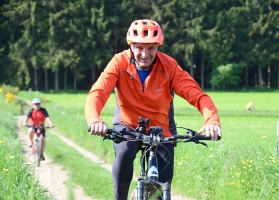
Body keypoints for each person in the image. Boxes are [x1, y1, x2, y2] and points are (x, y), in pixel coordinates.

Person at [85, 19, 222, 200]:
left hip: (161, 127)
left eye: (151, 48)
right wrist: (94, 119)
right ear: (131, 46)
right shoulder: (119, 62)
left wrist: (211, 120)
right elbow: (98, 92)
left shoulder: (169, 66)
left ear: (158, 46)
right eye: (139, 47)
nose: (144, 54)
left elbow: (197, 95)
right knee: (125, 153)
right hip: (127, 124)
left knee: (160, 188)